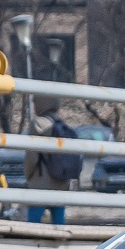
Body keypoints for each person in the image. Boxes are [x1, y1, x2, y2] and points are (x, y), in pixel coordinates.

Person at [23, 95, 81, 225]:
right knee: (59, 224)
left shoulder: (37, 124)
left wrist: (28, 175)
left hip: (40, 181)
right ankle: (60, 244)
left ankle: (33, 245)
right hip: (60, 181)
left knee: (33, 224)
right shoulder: (62, 125)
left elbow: (31, 157)